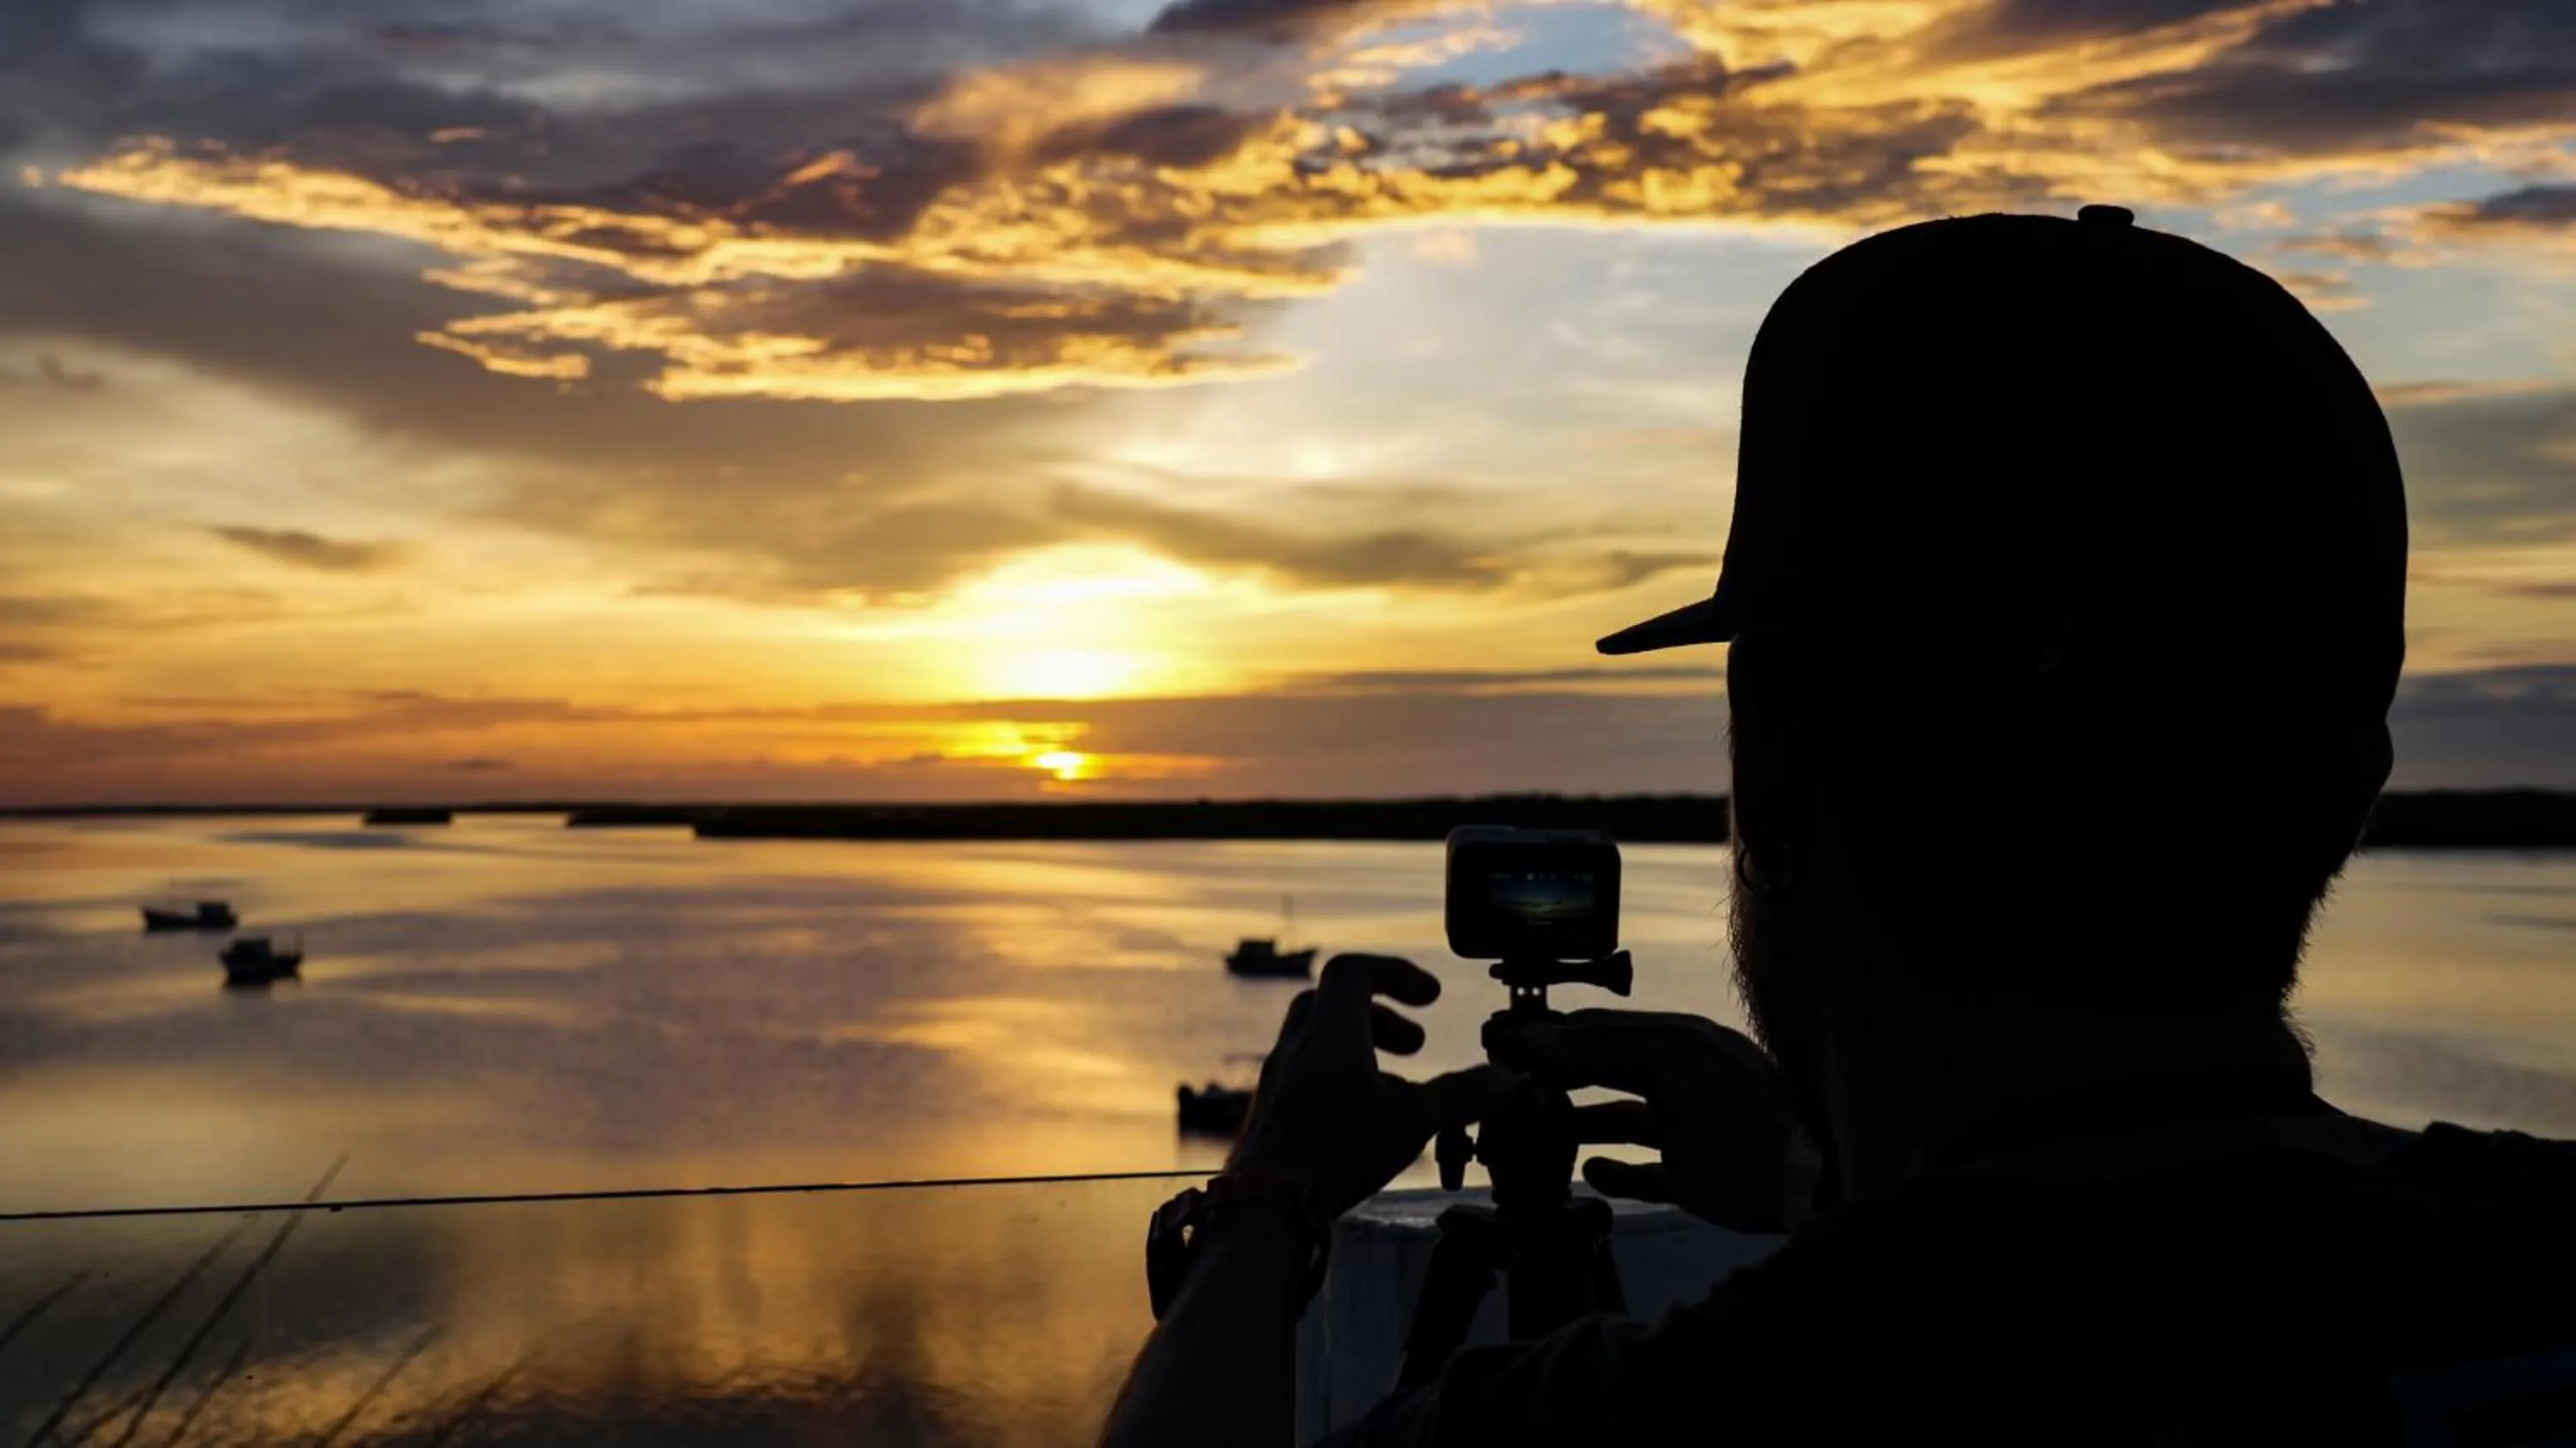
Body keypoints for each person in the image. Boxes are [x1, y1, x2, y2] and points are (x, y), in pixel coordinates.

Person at [1097, 208, 2576, 1447]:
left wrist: (1264, 1209)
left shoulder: (1735, 1400)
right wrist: (1830, 1187)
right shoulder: (2530, 1247)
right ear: (2352, 788)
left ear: (1783, 784)